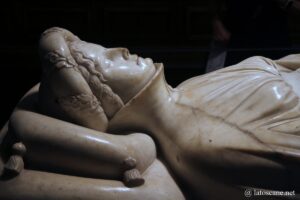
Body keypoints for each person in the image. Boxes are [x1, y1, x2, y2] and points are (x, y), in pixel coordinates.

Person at [1, 27, 300, 199]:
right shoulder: (205, 147)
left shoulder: (193, 87)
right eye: (104, 62)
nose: (119, 49)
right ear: (109, 104)